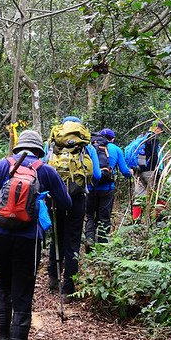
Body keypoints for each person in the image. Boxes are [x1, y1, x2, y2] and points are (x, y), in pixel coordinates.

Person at [0, 130, 71, 340]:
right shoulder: (46, 170)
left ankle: (3, 338)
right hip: (28, 241)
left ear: (17, 148)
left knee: (3, 285)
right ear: (39, 149)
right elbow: (66, 204)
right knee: (23, 293)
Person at [45, 116, 101, 296]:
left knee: (56, 235)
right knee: (73, 239)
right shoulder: (86, 146)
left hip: (55, 198)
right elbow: (97, 175)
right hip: (77, 197)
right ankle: (68, 287)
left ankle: (53, 277)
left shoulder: (54, 144)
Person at [85, 128, 132, 250]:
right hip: (107, 188)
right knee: (104, 217)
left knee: (90, 215)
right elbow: (125, 171)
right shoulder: (115, 149)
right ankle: (102, 246)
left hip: (90, 187)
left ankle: (89, 240)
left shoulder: (90, 147)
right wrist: (131, 172)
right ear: (113, 139)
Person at [130, 121, 166, 221]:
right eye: (160, 131)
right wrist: (156, 171)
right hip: (151, 172)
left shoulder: (142, 137)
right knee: (158, 195)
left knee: (139, 196)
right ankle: (158, 221)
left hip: (139, 171)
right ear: (157, 129)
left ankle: (136, 221)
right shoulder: (153, 137)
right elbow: (154, 156)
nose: (160, 133)